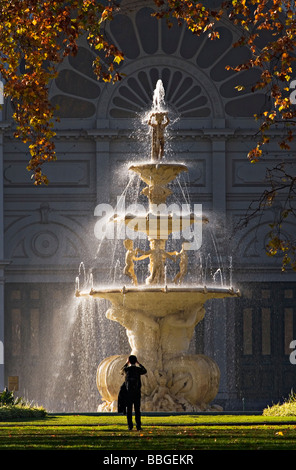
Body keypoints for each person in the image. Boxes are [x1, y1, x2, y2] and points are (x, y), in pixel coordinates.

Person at [121, 355, 147, 430]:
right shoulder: (138, 369)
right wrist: (138, 363)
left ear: (129, 361)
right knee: (137, 410)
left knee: (129, 410)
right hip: (137, 392)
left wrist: (126, 363)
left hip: (128, 393)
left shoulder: (127, 369)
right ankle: (138, 426)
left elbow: (121, 371)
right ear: (135, 361)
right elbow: (145, 371)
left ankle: (130, 426)